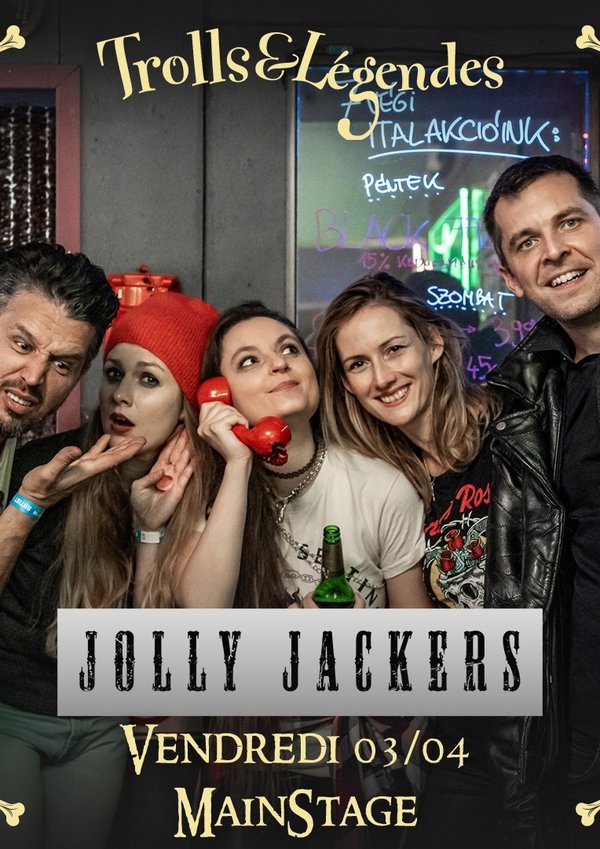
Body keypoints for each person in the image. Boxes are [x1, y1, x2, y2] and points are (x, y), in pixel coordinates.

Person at [183, 299, 431, 849]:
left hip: (359, 772)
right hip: (246, 770)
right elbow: (199, 617)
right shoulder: (209, 488)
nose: (278, 365)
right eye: (249, 361)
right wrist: (240, 463)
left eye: (289, 350)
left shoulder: (379, 487)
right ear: (216, 396)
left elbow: (421, 655)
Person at [0, 291, 220, 849]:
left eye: (149, 380)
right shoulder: (41, 469)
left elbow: (159, 674)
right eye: (115, 373)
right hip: (14, 714)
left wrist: (151, 530)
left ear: (189, 399)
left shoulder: (204, 498)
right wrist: (31, 504)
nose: (121, 395)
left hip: (103, 728)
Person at [315, 274, 504, 848]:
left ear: (434, 343)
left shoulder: (517, 432)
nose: (382, 378)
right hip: (455, 737)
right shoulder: (378, 486)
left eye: (394, 349)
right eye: (358, 364)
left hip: (551, 721)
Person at [481, 153, 600, 849]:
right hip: (571, 734)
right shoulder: (529, 390)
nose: (554, 249)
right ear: (511, 277)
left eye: (570, 222)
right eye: (527, 241)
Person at [0, 241, 145, 585]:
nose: (33, 377)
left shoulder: (23, 455)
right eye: (22, 345)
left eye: (62, 364)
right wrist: (29, 505)